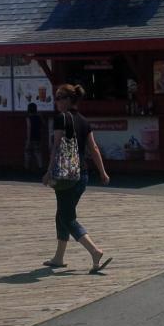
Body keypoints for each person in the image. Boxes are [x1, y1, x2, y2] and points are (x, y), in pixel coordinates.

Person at [41, 84, 112, 273]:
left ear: (67, 100)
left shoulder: (60, 119)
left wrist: (48, 172)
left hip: (65, 175)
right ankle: (58, 257)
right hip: (82, 175)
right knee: (62, 213)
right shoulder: (84, 121)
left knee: (67, 217)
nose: (56, 101)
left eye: (59, 97)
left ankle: (94, 251)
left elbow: (56, 148)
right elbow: (94, 148)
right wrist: (103, 172)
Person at [23, 102, 44, 171]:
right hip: (38, 136)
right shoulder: (39, 116)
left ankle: (27, 167)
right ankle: (40, 167)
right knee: (38, 152)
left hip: (31, 136)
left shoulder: (28, 117)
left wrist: (28, 140)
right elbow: (43, 124)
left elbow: (29, 127)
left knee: (27, 152)